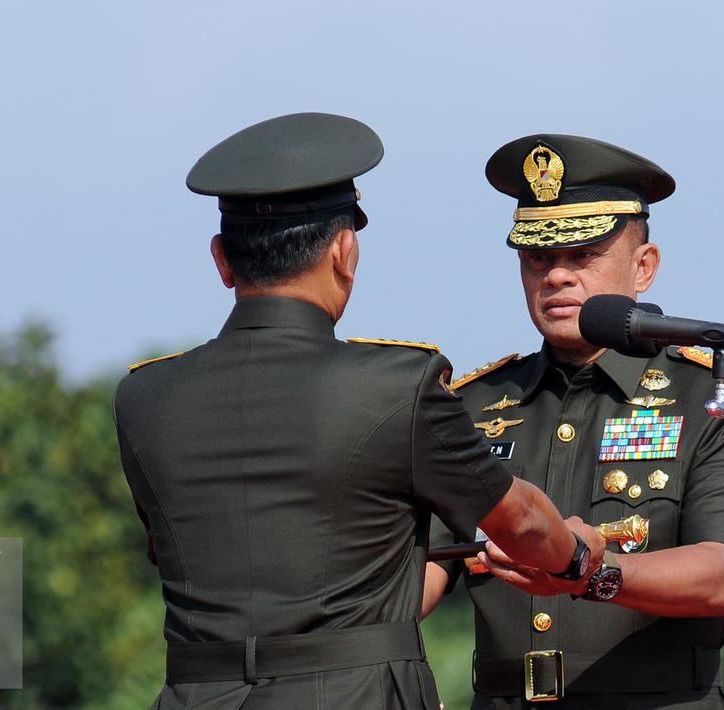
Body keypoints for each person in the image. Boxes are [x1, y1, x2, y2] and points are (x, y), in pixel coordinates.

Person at [114, 114, 603, 710]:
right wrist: (576, 556)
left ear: (221, 259)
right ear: (345, 252)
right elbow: (520, 522)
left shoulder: (144, 398)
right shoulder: (397, 386)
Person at [423, 134, 724, 709]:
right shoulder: (468, 405)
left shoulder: (712, 395)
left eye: (582, 257)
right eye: (538, 259)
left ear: (644, 267)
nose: (556, 277)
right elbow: (420, 579)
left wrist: (592, 572)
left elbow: (723, 575)